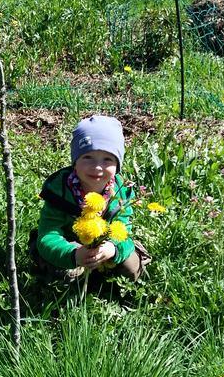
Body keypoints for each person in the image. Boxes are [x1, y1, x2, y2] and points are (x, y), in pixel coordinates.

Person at [30, 115, 150, 283]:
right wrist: (73, 255)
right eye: (88, 157)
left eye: (107, 159)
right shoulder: (60, 192)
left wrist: (112, 249)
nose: (97, 167)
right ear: (75, 161)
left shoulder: (121, 193)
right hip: (70, 246)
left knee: (132, 268)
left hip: (106, 247)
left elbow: (124, 231)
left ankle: (105, 277)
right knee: (68, 275)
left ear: (117, 164)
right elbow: (49, 235)